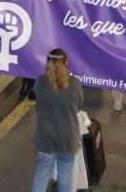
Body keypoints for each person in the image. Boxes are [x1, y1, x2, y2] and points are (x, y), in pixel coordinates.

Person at [30, 49, 85, 192]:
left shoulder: (39, 82)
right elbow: (78, 107)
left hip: (45, 137)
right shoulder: (74, 84)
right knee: (65, 174)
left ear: (47, 63)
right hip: (67, 138)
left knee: (42, 174)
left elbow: (38, 106)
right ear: (66, 64)